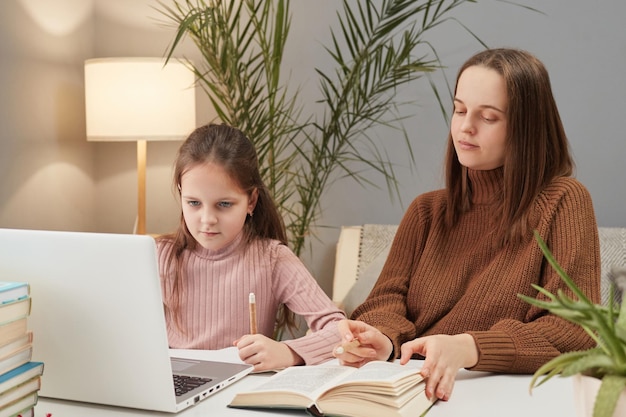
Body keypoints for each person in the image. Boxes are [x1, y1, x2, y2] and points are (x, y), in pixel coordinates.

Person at [333, 48, 600, 402]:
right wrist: (382, 337)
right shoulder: (426, 211)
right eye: (459, 110)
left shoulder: (563, 201)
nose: (465, 127)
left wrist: (470, 347)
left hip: (500, 398)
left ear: (526, 127)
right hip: (410, 389)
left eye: (488, 117)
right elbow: (386, 299)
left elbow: (575, 330)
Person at [156, 123, 345, 372]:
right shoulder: (159, 255)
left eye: (224, 204)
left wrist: (288, 352)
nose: (207, 219)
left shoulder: (272, 258)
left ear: (251, 201)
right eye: (193, 203)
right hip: (173, 385)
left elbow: (339, 330)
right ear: (181, 194)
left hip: (241, 390)